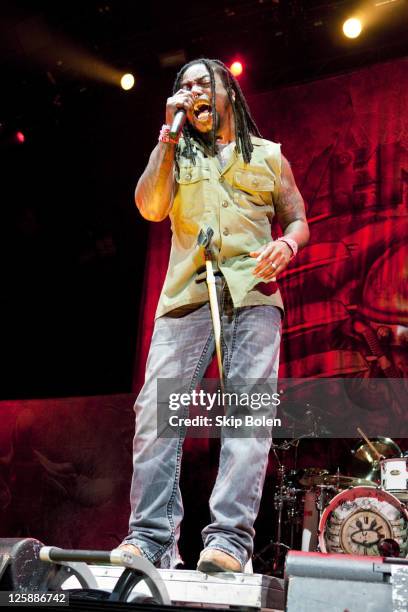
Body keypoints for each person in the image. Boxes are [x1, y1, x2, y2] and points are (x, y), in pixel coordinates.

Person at [119, 59, 309, 572]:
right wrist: (165, 140)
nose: (192, 91)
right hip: (186, 299)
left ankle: (228, 541)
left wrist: (287, 245)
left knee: (247, 417)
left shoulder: (268, 156)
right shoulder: (175, 154)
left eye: (203, 82)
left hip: (252, 296)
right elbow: (150, 207)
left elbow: (296, 218)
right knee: (156, 417)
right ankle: (152, 540)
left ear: (229, 91)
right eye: (183, 86)